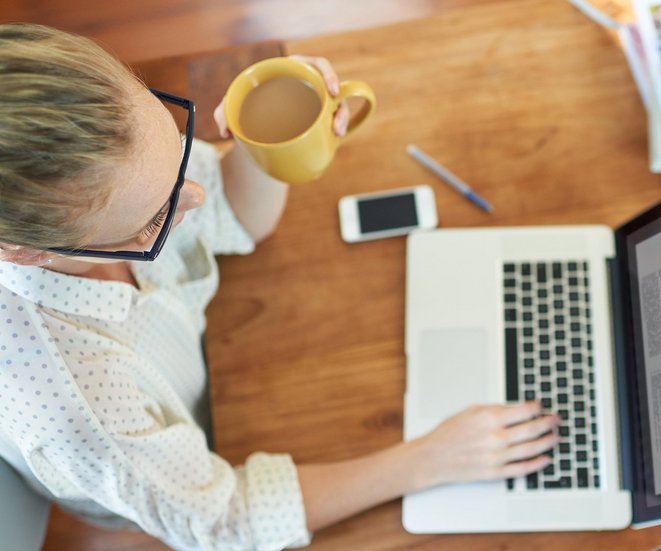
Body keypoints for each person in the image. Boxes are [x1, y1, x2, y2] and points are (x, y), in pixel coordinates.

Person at [0, 23, 558, 550]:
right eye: (153, 219)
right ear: (26, 252)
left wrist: (272, 137)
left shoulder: (116, 162)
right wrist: (430, 460)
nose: (195, 196)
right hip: (170, 477)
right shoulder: (78, 406)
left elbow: (236, 214)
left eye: (175, 142)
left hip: (217, 362)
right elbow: (223, 521)